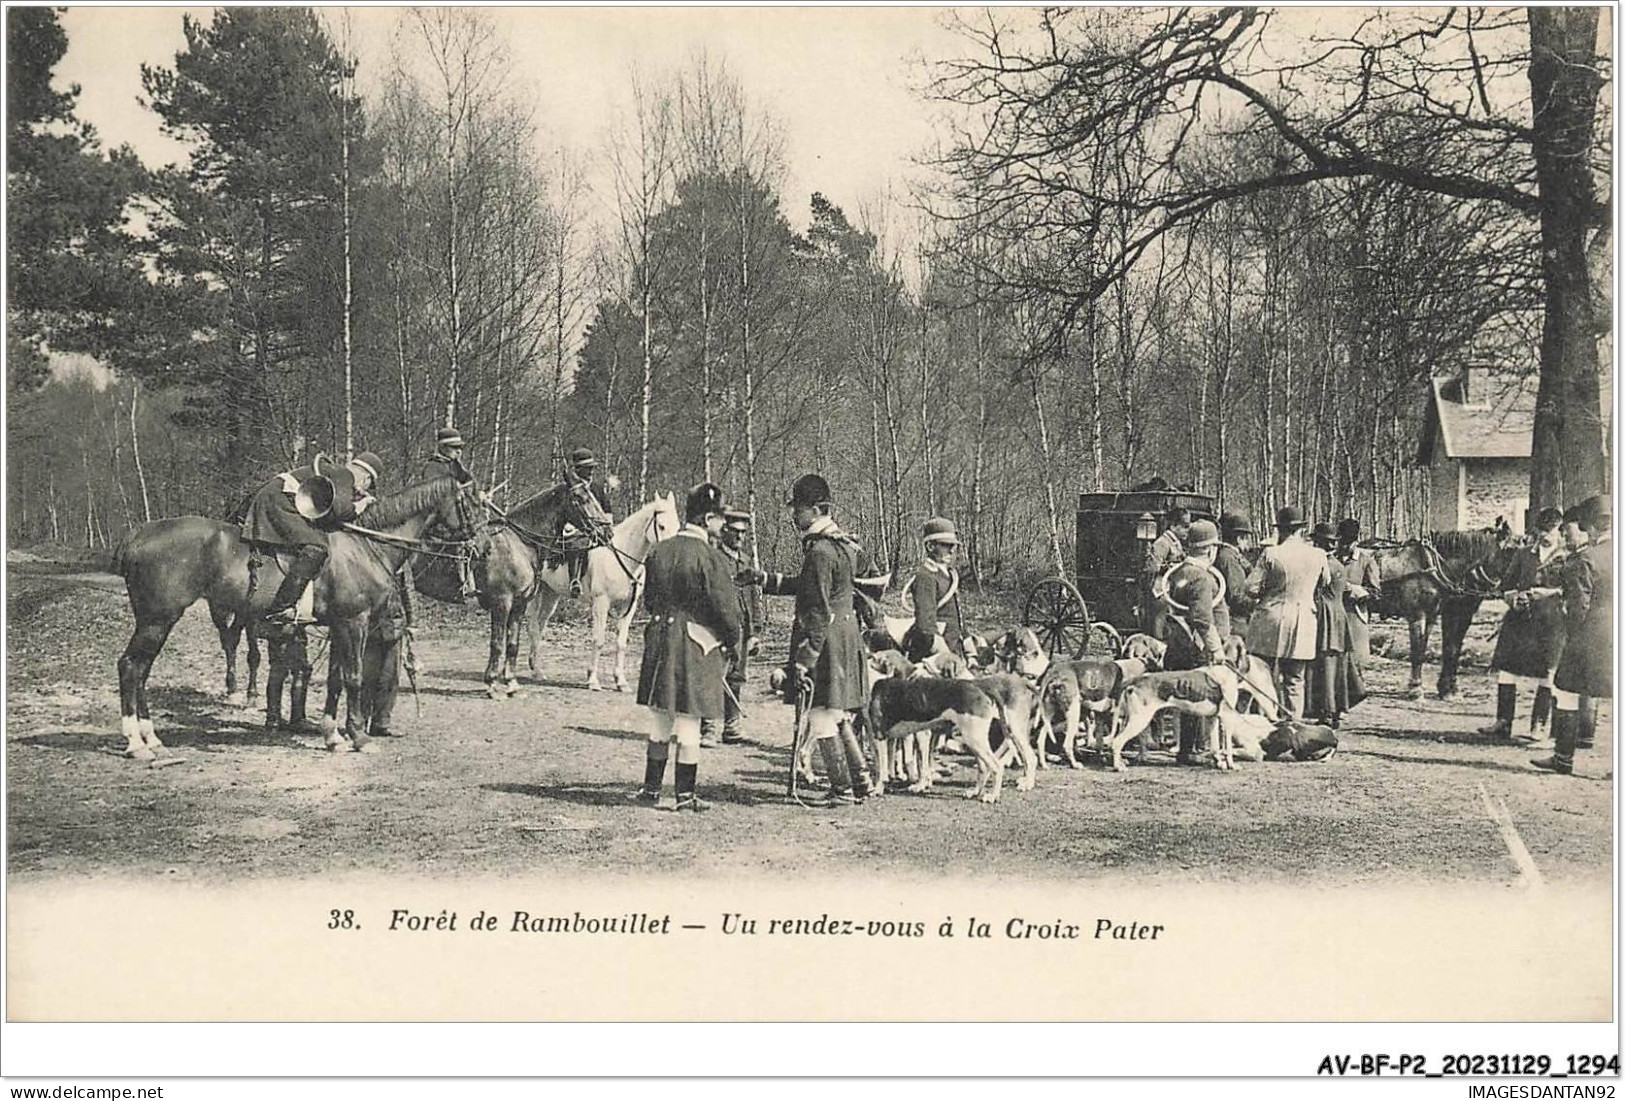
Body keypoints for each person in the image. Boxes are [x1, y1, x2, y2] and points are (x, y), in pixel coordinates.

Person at [743, 473, 873, 807]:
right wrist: (763, 579)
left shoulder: (819, 552)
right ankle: (861, 782)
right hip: (846, 637)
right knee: (838, 712)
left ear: (816, 510)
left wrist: (803, 660)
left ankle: (842, 788)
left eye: (798, 510)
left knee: (820, 715)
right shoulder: (841, 545)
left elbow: (816, 608)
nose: (794, 516)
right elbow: (810, 585)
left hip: (825, 640)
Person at [633, 483, 742, 811]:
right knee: (690, 723)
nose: (723, 525)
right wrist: (730, 640)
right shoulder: (712, 559)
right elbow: (727, 611)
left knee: (660, 721)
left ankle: (651, 790)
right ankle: (684, 795)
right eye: (720, 519)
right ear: (708, 518)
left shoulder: (659, 551)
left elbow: (650, 600)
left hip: (660, 640)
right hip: (695, 645)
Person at [240, 450, 383, 625]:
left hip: (278, 497)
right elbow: (341, 510)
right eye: (369, 485)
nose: (364, 489)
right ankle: (281, 607)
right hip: (280, 501)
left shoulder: (334, 472)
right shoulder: (345, 475)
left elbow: (329, 513)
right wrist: (361, 504)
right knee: (317, 547)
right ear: (366, 478)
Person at [1532, 496, 1611, 776]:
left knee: (1566, 689)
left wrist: (1571, 630)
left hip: (1593, 636)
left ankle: (1563, 758)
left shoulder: (1586, 558)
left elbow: (1579, 608)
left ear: (1590, 527)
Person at [1481, 506, 1566, 741]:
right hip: (1520, 620)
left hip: (1552, 623)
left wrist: (1549, 593)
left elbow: (1572, 591)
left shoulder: (1567, 557)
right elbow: (1506, 584)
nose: (1546, 536)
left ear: (1560, 530)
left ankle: (1538, 726)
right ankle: (1503, 722)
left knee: (1547, 673)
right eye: (1542, 531)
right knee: (1507, 670)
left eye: (1551, 531)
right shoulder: (1523, 553)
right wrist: (1512, 598)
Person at [1244, 506, 1330, 720]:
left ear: (1281, 530)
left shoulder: (1271, 553)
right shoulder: (1318, 555)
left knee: (1260, 674)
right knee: (1295, 679)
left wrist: (1269, 592)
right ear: (1301, 530)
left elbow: (1250, 588)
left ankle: (1262, 724)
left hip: (1270, 618)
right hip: (1304, 621)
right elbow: (1325, 582)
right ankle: (1293, 727)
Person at [1160, 518, 1229, 764]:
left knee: (1184, 698)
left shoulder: (1180, 573)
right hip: (1196, 647)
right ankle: (1193, 751)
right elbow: (1202, 619)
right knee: (1196, 697)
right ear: (1210, 549)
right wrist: (1217, 649)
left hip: (1178, 644)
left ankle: (1187, 748)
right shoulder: (1201, 578)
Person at [700, 509, 762, 748]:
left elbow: (754, 597)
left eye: (743, 533)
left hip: (743, 630)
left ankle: (732, 728)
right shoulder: (714, 559)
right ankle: (709, 729)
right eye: (735, 531)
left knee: (736, 677)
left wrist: (755, 632)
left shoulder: (746, 561)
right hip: (720, 629)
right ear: (724, 531)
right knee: (714, 678)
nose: (739, 537)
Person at [537, 447, 614, 597]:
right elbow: (563, 514)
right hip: (574, 527)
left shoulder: (597, 488)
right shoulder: (567, 489)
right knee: (577, 542)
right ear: (578, 470)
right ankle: (575, 580)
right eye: (587, 468)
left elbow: (607, 509)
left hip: (597, 529)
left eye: (592, 468)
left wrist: (607, 525)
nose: (591, 472)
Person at [1305, 522, 1354, 728]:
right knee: (1338, 664)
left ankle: (1326, 710)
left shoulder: (1322, 565)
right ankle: (1337, 708)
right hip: (1339, 614)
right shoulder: (1339, 565)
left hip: (1324, 613)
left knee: (1324, 664)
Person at [1331, 518, 1381, 710]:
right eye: (1343, 541)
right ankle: (1335, 703)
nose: (1346, 545)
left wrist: (1358, 591)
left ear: (1357, 540)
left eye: (1350, 541)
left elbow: (1377, 592)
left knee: (1354, 660)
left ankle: (1351, 700)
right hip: (1333, 614)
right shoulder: (1332, 558)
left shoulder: (1366, 561)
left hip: (1354, 615)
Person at [903, 517, 968, 664]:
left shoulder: (949, 575)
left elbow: (958, 618)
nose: (952, 550)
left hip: (954, 648)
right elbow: (926, 626)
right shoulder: (925, 577)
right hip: (935, 655)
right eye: (946, 545)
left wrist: (969, 649)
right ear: (930, 546)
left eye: (953, 546)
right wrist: (947, 658)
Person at [1142, 508, 1192, 639]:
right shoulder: (1163, 543)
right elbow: (1152, 568)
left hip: (1172, 589)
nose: (1188, 530)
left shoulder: (1175, 542)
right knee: (1160, 620)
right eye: (1185, 526)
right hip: (1161, 590)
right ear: (1173, 525)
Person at [1214, 512, 1256, 636]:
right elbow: (1236, 597)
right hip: (1235, 622)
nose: (1248, 543)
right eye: (1247, 538)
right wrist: (1259, 603)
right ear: (1239, 539)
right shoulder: (1229, 560)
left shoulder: (1229, 555)